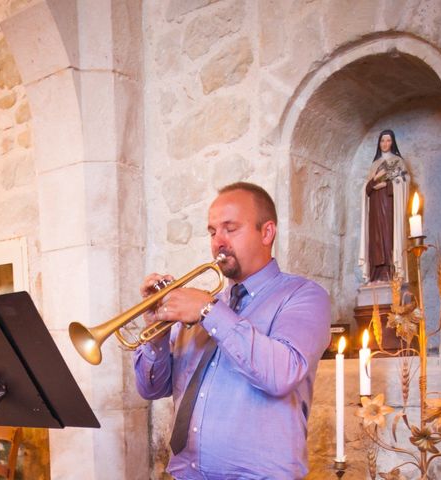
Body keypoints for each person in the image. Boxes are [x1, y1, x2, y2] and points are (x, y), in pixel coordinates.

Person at [133, 182, 331, 479]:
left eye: (230, 228)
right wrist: (157, 335)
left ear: (267, 232)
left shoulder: (303, 296)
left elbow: (281, 374)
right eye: (213, 231)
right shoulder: (204, 307)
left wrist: (209, 312)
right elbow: (151, 389)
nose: (218, 242)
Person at [358, 129, 409, 283]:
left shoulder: (398, 162)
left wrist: (388, 185)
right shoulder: (375, 164)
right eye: (382, 141)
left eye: (388, 140)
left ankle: (389, 271)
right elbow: (366, 189)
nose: (385, 144)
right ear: (379, 143)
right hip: (374, 206)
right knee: (375, 239)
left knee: (387, 236)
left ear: (392, 142)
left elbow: (404, 181)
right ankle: (375, 273)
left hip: (389, 205)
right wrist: (373, 183)